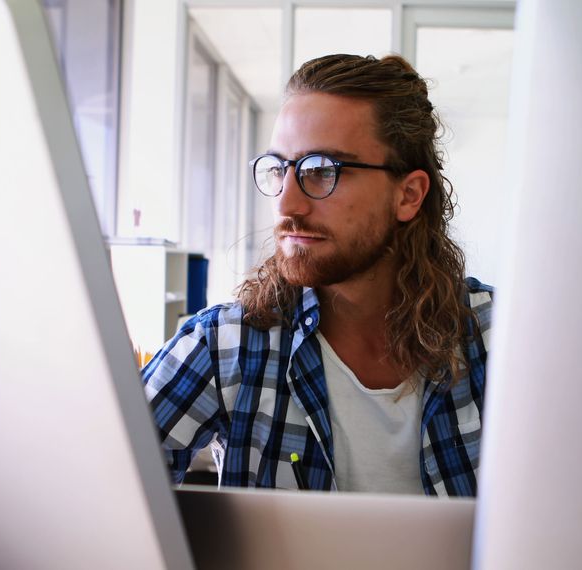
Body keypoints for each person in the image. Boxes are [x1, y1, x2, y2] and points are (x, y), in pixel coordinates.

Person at [142, 53, 492, 497]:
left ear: (408, 195)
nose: (287, 204)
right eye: (279, 169)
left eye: (322, 170)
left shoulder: (497, 339)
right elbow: (101, 493)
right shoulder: (225, 347)